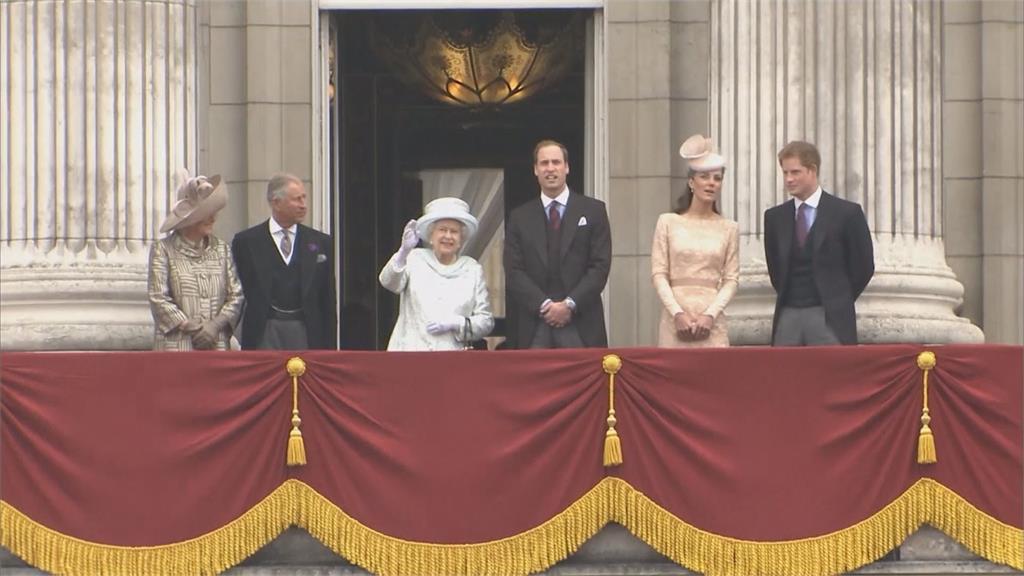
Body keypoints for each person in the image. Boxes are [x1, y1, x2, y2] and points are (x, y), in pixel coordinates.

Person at [763, 141, 874, 346]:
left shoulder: (846, 213)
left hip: (830, 317)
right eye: (785, 173)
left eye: (795, 172)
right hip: (788, 314)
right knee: (785, 375)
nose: (789, 179)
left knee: (833, 375)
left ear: (812, 170)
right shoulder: (775, 218)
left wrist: (838, 298)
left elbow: (864, 266)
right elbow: (775, 269)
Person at [504, 140, 611, 349]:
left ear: (567, 167)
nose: (550, 168)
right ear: (536, 170)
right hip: (534, 324)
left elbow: (600, 267)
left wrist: (569, 304)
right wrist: (545, 306)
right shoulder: (519, 217)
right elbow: (513, 270)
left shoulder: (593, 211)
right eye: (544, 163)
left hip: (581, 322)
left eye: (556, 162)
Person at [651, 135, 739, 347]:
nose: (711, 183)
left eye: (717, 178)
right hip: (675, 317)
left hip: (712, 319)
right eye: (704, 177)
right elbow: (659, 273)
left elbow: (731, 279)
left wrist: (710, 315)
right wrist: (677, 313)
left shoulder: (729, 227)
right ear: (691, 182)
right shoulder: (668, 222)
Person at [232, 173, 338, 350]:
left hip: (307, 332)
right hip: (264, 331)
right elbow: (237, 294)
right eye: (297, 199)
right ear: (276, 203)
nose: (304, 205)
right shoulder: (247, 242)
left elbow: (327, 300)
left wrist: (330, 349)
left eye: (304, 198)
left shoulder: (321, 242)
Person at [379, 197, 494, 351]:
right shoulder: (414, 259)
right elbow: (388, 282)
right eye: (442, 230)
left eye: (454, 231)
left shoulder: (472, 269)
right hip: (410, 355)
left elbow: (486, 322)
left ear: (461, 239)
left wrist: (456, 323)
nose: (448, 236)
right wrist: (403, 252)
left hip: (450, 358)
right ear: (431, 236)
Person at [148, 172, 243, 350]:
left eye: (213, 213)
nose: (213, 218)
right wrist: (190, 326)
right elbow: (158, 296)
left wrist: (214, 326)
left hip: (217, 345)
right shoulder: (163, 250)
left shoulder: (222, 249)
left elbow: (236, 295)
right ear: (188, 220)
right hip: (176, 346)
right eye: (205, 214)